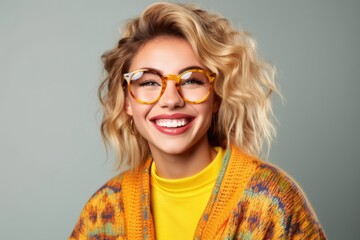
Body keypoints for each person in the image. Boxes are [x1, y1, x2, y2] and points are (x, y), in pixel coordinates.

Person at [70, 2, 326, 239]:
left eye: (191, 80)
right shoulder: (103, 211)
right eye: (148, 82)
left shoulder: (274, 201)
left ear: (216, 97)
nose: (170, 100)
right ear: (127, 101)